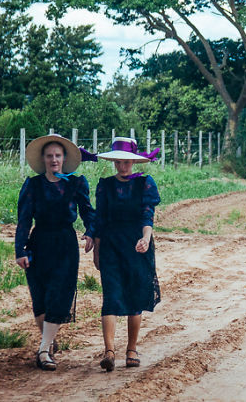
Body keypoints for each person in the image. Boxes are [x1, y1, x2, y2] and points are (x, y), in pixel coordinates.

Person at [15, 134, 96, 371]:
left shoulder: (76, 183)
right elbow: (23, 220)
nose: (53, 160)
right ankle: (48, 341)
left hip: (65, 245)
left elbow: (88, 212)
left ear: (64, 158)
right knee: (39, 299)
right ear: (43, 159)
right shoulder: (33, 185)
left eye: (57, 155)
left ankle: (42, 351)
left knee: (58, 296)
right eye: (49, 156)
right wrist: (20, 250)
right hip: (38, 244)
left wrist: (91, 231)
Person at [93, 137, 161, 371]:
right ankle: (109, 351)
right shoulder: (105, 185)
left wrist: (145, 238)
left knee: (134, 296)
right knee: (110, 295)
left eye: (126, 162)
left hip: (136, 244)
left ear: (133, 162)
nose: (122, 167)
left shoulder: (145, 183)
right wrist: (97, 249)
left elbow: (147, 216)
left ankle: (131, 348)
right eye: (118, 162)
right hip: (111, 244)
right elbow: (100, 218)